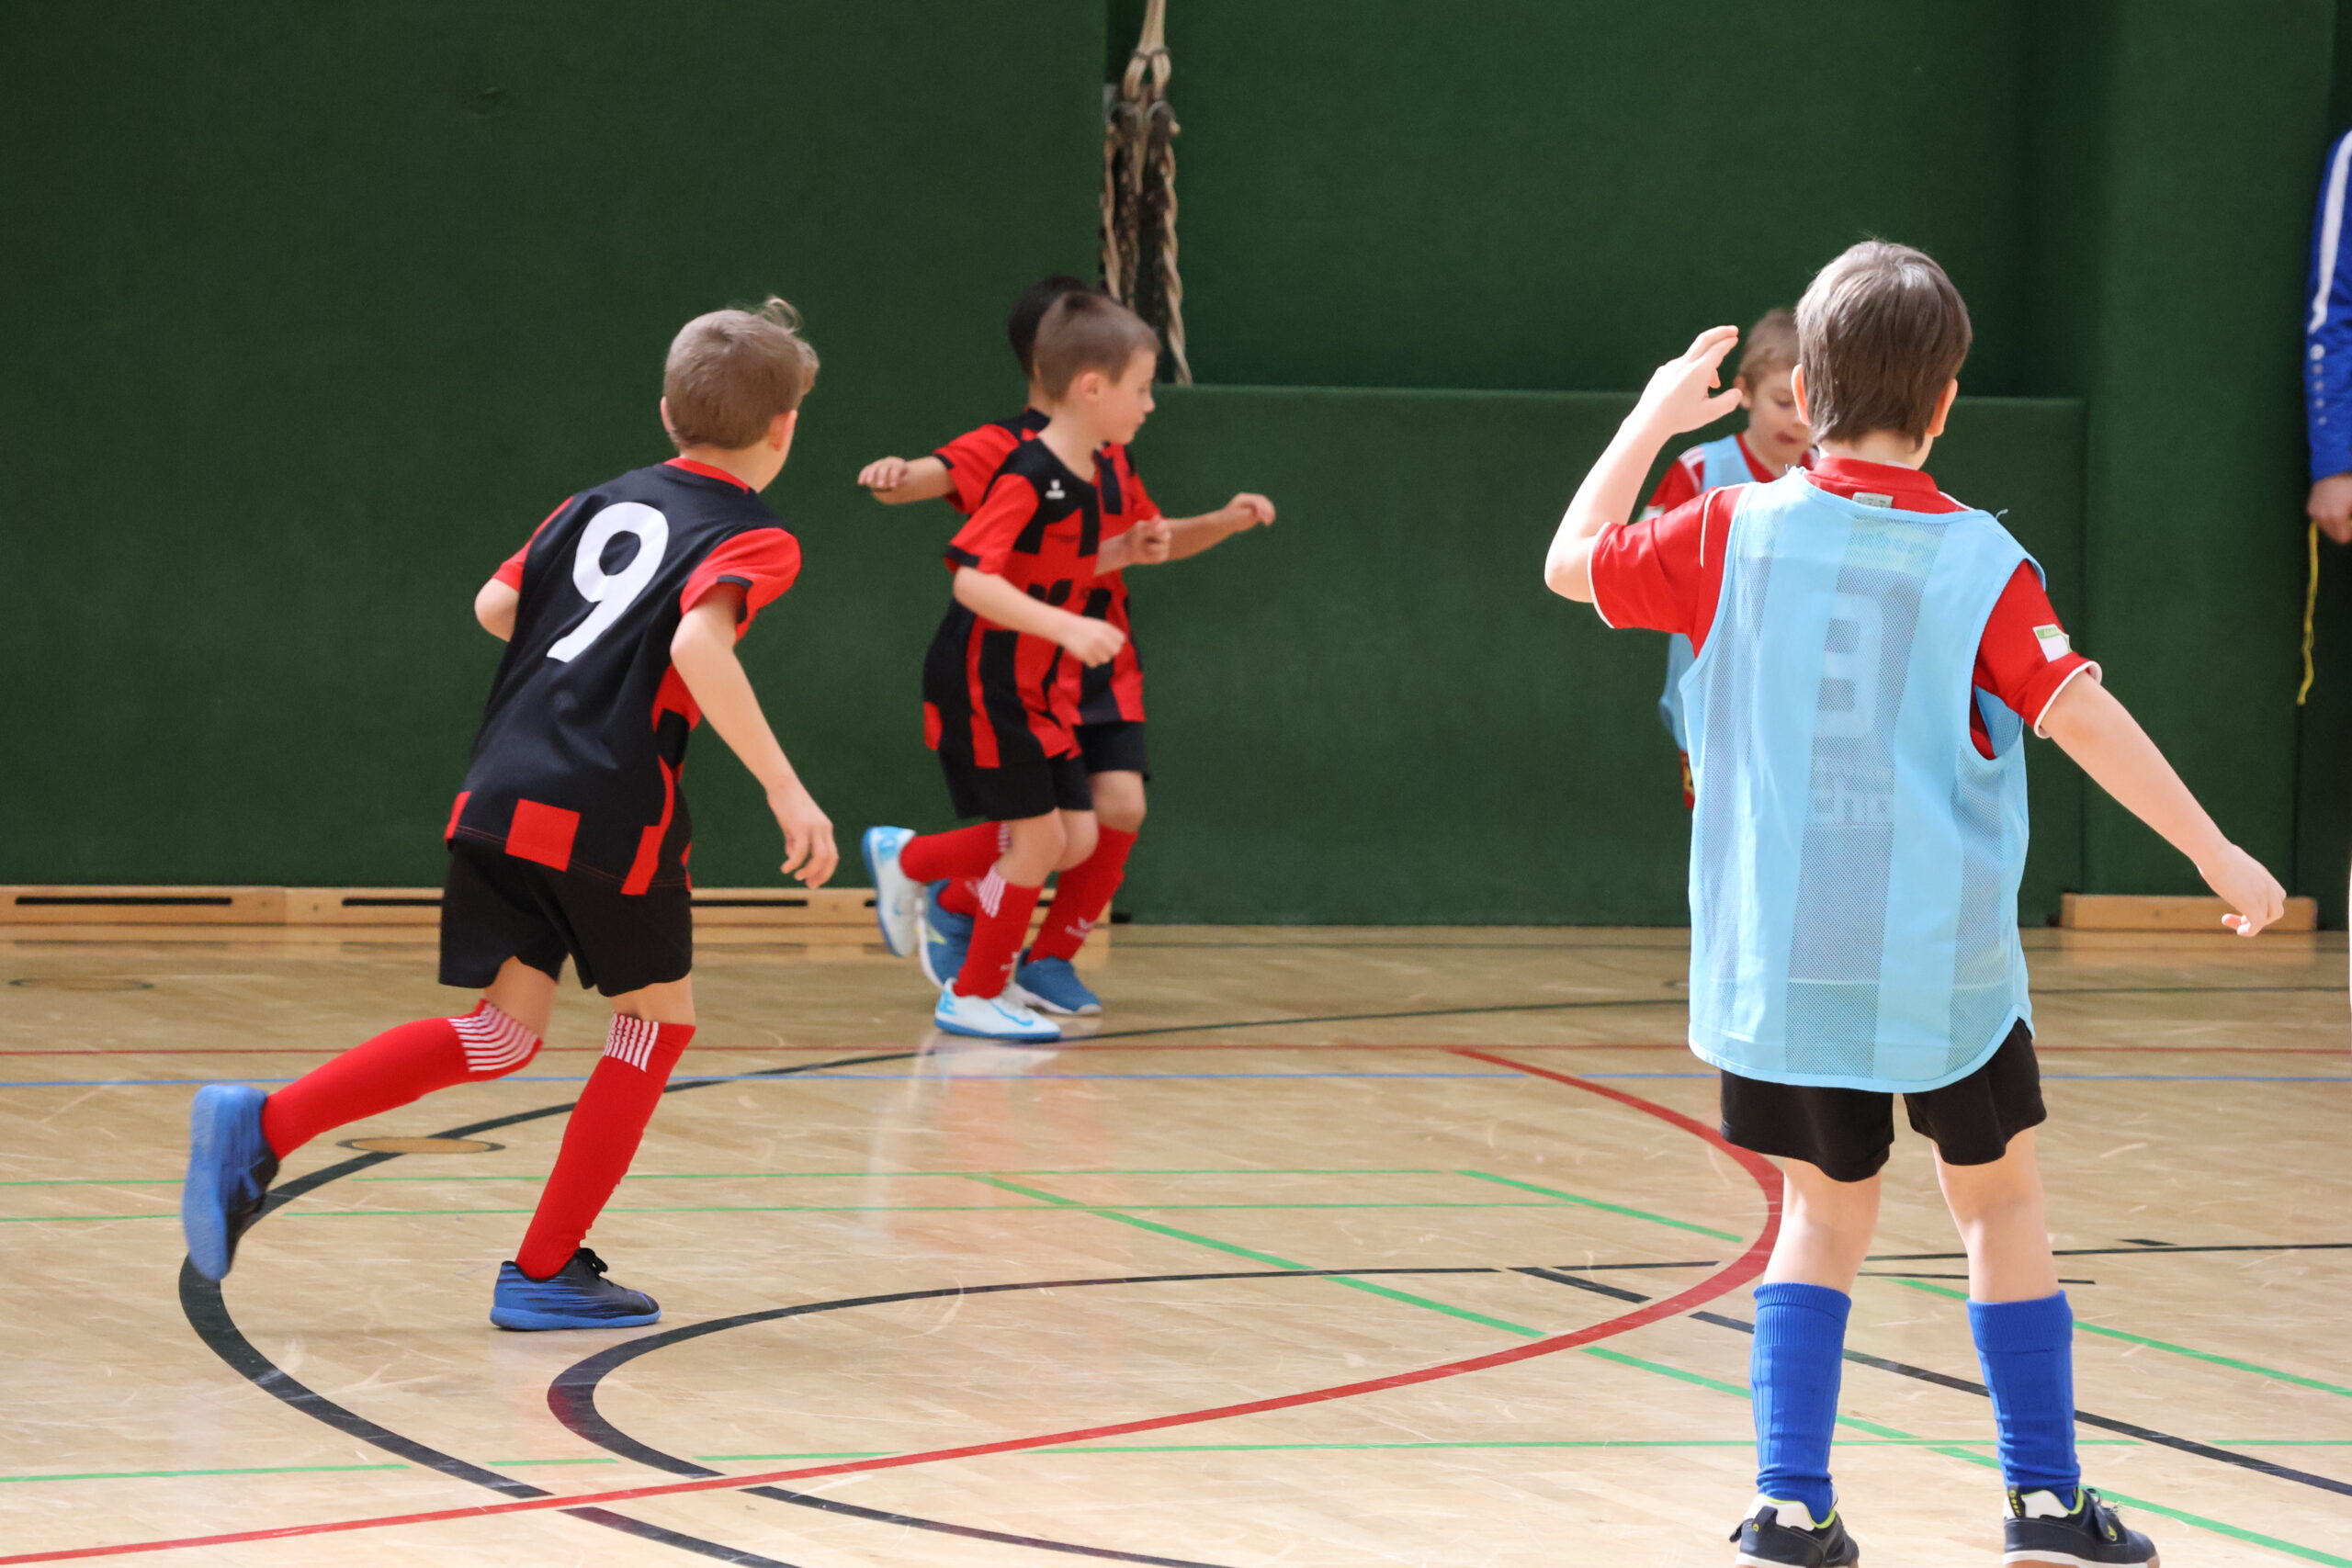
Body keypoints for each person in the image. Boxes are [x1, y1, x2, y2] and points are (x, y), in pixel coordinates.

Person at [1544, 241, 2285, 1567]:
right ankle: (2044, 1504)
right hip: (1941, 968)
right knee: (1999, 1208)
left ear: (1799, 389)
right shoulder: (1981, 560)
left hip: (1788, 961)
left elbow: (1569, 561)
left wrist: (1654, 415)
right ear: (1946, 400)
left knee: (1820, 1217)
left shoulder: (1727, 527)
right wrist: (2218, 851)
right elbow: (2082, 715)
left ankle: (1789, 1506)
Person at [180, 299, 837, 1330]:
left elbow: (496, 607)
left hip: (502, 786)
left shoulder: (593, 503)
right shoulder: (754, 535)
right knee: (655, 1025)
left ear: (668, 411)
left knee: (500, 1032)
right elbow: (695, 645)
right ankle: (541, 1269)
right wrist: (786, 788)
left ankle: (265, 1124)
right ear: (785, 427)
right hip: (609, 808)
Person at [857, 278, 1272, 1015]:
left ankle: (1038, 957)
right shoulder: (1017, 455)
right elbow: (948, 526)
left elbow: (1129, 545)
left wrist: (1214, 523)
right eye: (1139, 383)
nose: (1148, 401)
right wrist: (894, 475)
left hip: (1090, 661)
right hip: (1020, 661)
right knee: (1043, 836)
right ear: (1076, 368)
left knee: (1098, 821)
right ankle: (963, 945)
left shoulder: (1104, 458)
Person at [1644, 308, 1814, 806]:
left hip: (1805, 705)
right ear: (1744, 391)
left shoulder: (1831, 477)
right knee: (1717, 830)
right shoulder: (1698, 471)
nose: (1798, 417)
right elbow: (1643, 565)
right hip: (1710, 701)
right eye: (1783, 400)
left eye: (1813, 403)